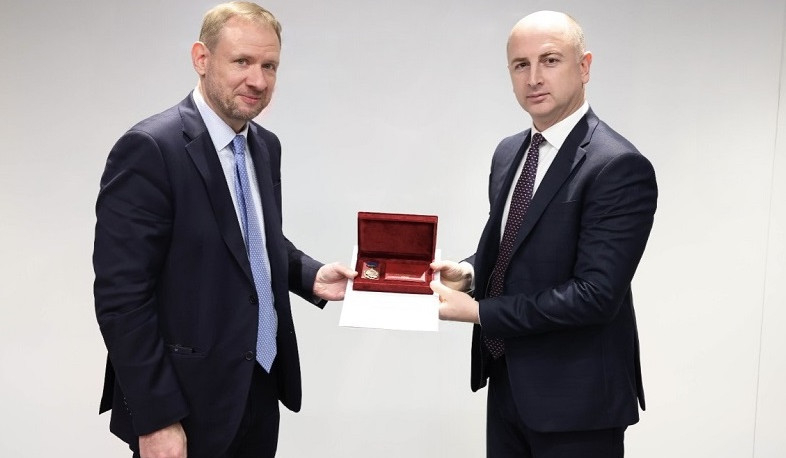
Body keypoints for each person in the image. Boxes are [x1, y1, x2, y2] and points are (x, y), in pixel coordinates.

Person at [92, 2, 356, 457]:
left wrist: (309, 275)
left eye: (269, 66)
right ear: (201, 58)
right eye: (242, 61)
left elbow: (250, 239)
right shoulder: (150, 148)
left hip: (258, 388)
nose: (258, 80)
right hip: (183, 401)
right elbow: (121, 299)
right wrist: (156, 417)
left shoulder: (264, 146)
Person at [430, 11, 657, 458]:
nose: (533, 78)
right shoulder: (509, 152)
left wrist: (480, 312)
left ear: (584, 66)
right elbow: (512, 248)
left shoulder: (617, 166)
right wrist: (468, 273)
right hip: (509, 384)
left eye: (550, 60)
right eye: (521, 64)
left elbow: (595, 295)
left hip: (580, 403)